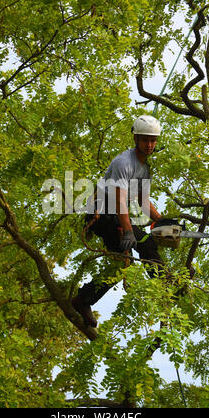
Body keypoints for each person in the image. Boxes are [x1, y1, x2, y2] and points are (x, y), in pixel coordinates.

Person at [72, 115, 164, 328]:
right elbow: (120, 200)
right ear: (136, 139)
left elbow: (142, 200)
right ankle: (83, 300)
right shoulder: (124, 163)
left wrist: (161, 220)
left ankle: (164, 288)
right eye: (145, 140)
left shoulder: (144, 168)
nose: (149, 145)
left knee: (145, 246)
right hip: (102, 216)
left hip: (116, 217)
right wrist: (129, 232)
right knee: (126, 262)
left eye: (153, 140)